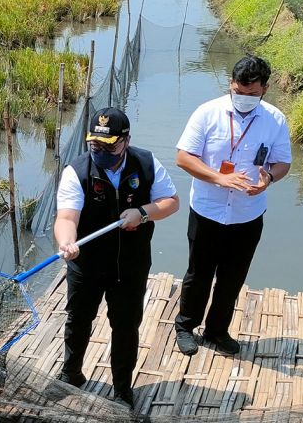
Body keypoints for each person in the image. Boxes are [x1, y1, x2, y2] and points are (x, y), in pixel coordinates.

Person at [54, 107, 179, 408]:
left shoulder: (146, 164)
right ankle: (71, 373)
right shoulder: (77, 171)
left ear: (125, 140)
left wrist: (143, 213)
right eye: (95, 145)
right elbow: (66, 217)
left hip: (130, 266)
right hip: (87, 265)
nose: (101, 151)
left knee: (125, 326)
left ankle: (123, 388)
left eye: (109, 145)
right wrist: (67, 242)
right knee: (78, 319)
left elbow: (171, 202)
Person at [173, 55, 291, 356]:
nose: (244, 98)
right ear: (230, 84)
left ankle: (217, 330)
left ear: (265, 89)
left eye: (252, 94)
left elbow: (282, 163)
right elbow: (184, 157)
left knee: (233, 276)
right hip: (207, 209)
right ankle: (185, 326)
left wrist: (268, 180)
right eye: (239, 91)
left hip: (247, 213)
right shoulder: (207, 113)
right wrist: (218, 178)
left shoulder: (275, 119)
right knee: (198, 273)